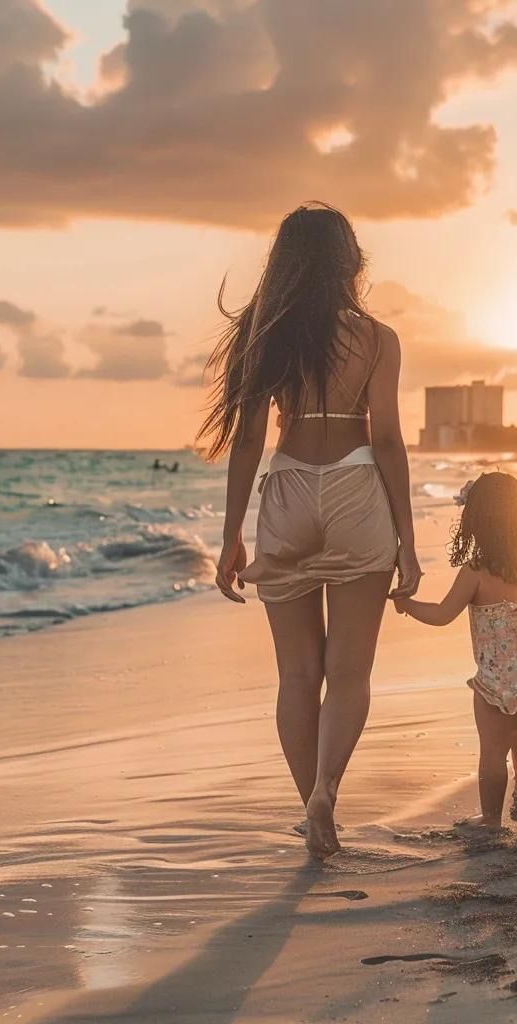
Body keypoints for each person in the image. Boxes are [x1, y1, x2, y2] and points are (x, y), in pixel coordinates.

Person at [199, 202, 421, 859]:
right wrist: (408, 539)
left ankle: (311, 812)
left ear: (285, 263)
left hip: (290, 488)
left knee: (298, 675)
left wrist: (230, 536)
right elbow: (385, 438)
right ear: (350, 261)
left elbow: (245, 444)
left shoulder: (264, 335)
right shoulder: (379, 338)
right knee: (349, 673)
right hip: (356, 487)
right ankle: (326, 790)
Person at [394, 472, 517, 829]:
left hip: (494, 680)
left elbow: (443, 614)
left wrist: (409, 605)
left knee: (493, 751)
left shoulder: (475, 573)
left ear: (475, 522)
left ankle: (491, 818)